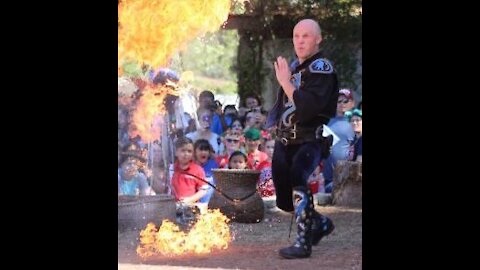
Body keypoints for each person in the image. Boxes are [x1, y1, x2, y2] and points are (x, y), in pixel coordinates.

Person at [265, 18, 336, 259]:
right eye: (296, 36)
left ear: (318, 39)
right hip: (284, 142)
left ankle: (303, 243)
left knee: (298, 178)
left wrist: (284, 82)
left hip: (308, 140)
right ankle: (322, 223)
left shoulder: (322, 68)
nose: (300, 41)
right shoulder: (295, 68)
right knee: (285, 202)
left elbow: (308, 108)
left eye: (306, 36)